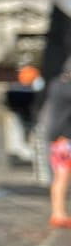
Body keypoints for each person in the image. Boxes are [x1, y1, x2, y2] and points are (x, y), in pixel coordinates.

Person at [45, 55, 71, 227]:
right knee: (62, 177)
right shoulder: (67, 90)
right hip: (64, 140)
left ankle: (58, 212)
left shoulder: (55, 84)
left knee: (58, 177)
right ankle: (58, 214)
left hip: (56, 139)